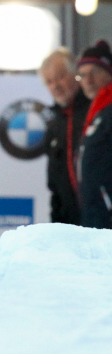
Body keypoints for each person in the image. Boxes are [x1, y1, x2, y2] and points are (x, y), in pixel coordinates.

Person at [39, 48, 90, 224]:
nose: (55, 86)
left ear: (76, 74)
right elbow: (55, 185)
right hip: (70, 224)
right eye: (49, 81)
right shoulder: (54, 124)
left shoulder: (98, 111)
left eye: (61, 76)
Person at [75, 40, 112, 229]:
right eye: (82, 75)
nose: (88, 80)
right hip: (96, 215)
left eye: (94, 73)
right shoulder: (96, 112)